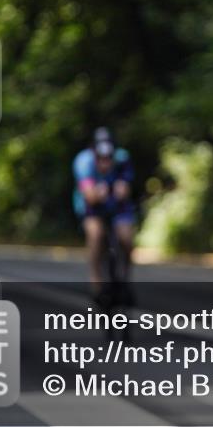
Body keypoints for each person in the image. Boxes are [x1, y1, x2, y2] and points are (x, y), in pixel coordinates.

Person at [72, 127, 136, 304]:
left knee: (126, 239)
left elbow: (125, 187)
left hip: (118, 206)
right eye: (101, 159)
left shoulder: (122, 158)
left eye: (108, 158)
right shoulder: (84, 161)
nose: (105, 164)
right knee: (96, 235)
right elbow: (89, 195)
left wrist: (121, 189)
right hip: (92, 208)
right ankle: (96, 284)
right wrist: (97, 194)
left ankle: (125, 280)